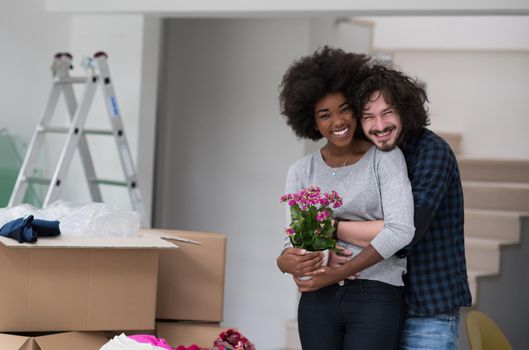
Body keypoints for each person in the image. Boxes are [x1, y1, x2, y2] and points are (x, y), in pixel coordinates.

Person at [295, 63, 472, 349]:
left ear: (404, 111)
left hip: (427, 307)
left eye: (388, 113)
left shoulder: (431, 151)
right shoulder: (372, 154)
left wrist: (330, 226)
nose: (379, 125)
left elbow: (406, 231)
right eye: (368, 116)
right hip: (385, 298)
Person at [276, 46, 414, 349]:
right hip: (317, 301)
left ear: (356, 107)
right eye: (325, 115)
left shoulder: (385, 159)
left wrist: (339, 270)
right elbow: (294, 242)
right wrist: (289, 262)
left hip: (376, 294)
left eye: (344, 109)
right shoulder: (301, 171)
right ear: (313, 123)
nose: (338, 121)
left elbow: (401, 230)